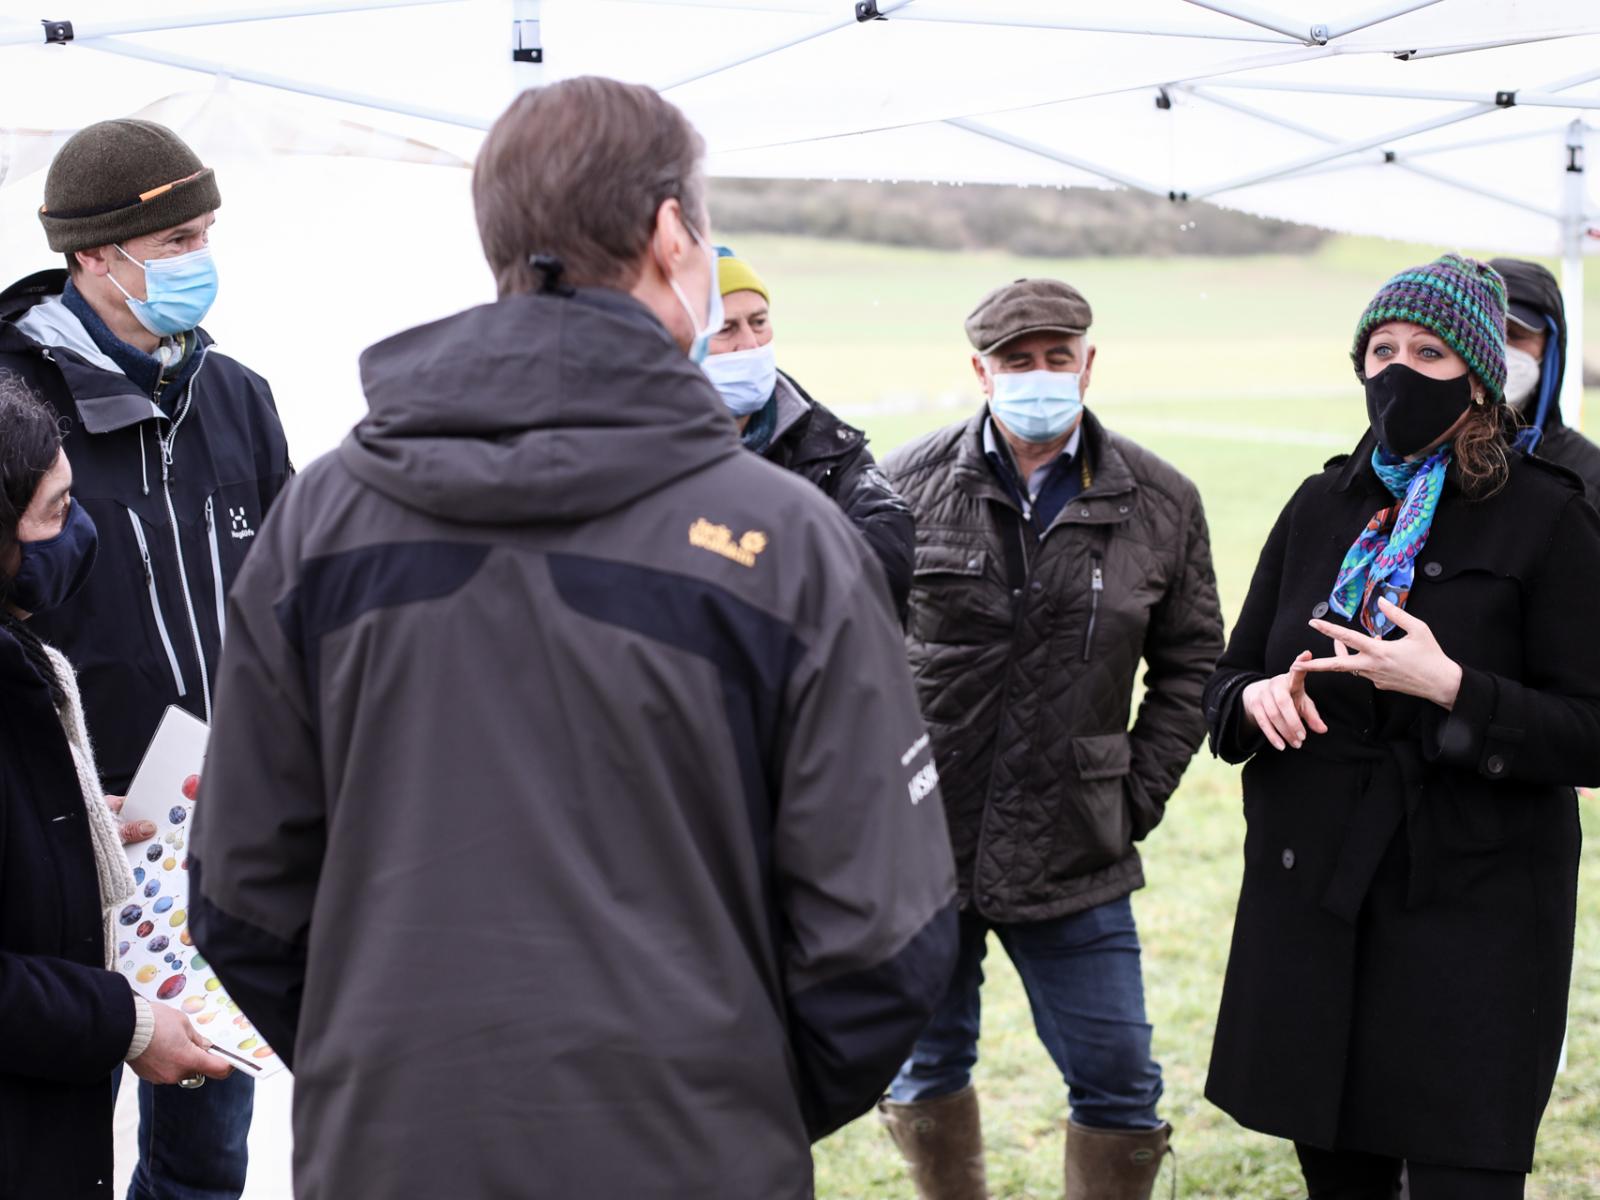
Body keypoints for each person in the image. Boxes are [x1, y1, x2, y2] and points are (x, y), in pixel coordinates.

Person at [187, 77, 958, 1200]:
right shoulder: (785, 538)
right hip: (690, 1154)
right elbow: (885, 929)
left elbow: (241, 883)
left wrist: (396, 1070)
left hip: (394, 1153)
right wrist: (721, 1094)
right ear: (667, 232)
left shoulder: (320, 519)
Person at [1203, 254, 1600, 1199]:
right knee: (1341, 1175)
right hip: (1317, 911)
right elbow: (1227, 680)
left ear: (1477, 375)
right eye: (1381, 349)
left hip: (1474, 915)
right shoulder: (1320, 504)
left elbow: (1594, 729)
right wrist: (1254, 699)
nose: (1398, 371)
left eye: (1428, 352)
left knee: (1466, 1176)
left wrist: (1458, 688)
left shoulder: (1547, 516)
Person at [879, 278, 1224, 1199]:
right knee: (924, 1065)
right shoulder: (898, 486)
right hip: (923, 842)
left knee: (1120, 1084)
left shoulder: (1160, 500)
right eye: (1016, 361)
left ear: (1088, 363)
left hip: (1075, 844)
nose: (1038, 375)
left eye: (1055, 358)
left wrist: (1134, 791)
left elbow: (1193, 662)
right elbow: (847, 650)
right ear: (980, 372)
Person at [0, 119, 291, 1200]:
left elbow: (288, 600)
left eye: (205, 231)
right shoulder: (18, 410)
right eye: (174, 239)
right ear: (93, 255)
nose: (198, 260)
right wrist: (74, 782)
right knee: (49, 1125)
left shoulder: (238, 398)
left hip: (209, 838)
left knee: (209, 1137)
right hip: (56, 840)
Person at [0, 375, 232, 1200]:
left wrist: (68, 825)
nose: (81, 535)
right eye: (59, 510)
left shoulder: (23, 659)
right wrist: (128, 1026)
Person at [703, 245, 915, 620]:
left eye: (759, 322)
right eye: (726, 328)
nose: (750, 344)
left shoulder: (826, 444)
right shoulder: (646, 443)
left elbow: (886, 550)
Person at [1487, 256, 1600, 497]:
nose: (1502, 349)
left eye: (1516, 336)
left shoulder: (1588, 473)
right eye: (1491, 333)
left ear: (1549, 351)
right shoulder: (1431, 454)